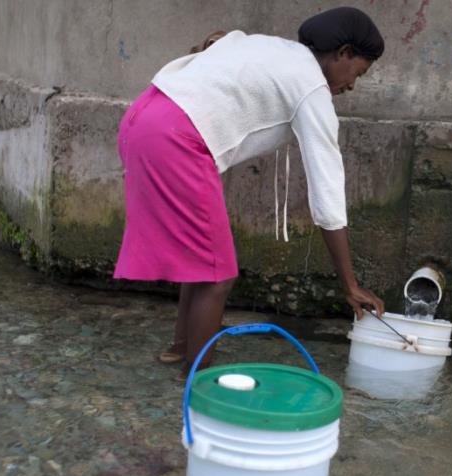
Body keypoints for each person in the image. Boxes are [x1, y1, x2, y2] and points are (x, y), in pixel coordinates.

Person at [113, 7, 386, 380]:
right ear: (343, 53)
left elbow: (219, 46)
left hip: (142, 119)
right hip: (176, 139)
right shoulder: (311, 87)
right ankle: (197, 381)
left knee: (203, 262)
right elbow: (328, 194)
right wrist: (349, 285)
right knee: (219, 273)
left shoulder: (275, 49)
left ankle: (181, 349)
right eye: (358, 72)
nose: (352, 84)